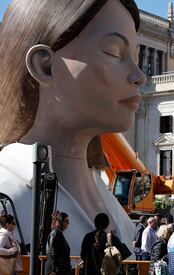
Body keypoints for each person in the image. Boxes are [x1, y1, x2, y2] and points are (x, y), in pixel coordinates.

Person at [0, 0, 145, 254]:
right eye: (113, 51)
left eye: (135, 56)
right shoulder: (7, 191)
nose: (139, 76)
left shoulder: (110, 202)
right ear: (44, 65)